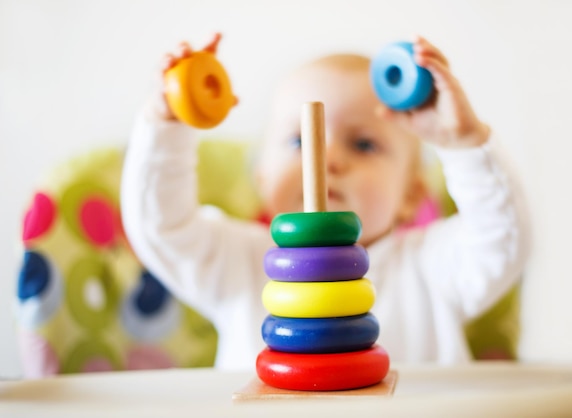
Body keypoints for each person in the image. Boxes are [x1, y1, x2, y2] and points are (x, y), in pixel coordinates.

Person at [121, 33, 530, 370]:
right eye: (298, 141)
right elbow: (163, 229)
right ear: (262, 178)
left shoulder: (431, 269)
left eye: (363, 144)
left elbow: (503, 240)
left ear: (410, 195)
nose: (326, 158)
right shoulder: (240, 263)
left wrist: (463, 142)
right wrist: (168, 125)